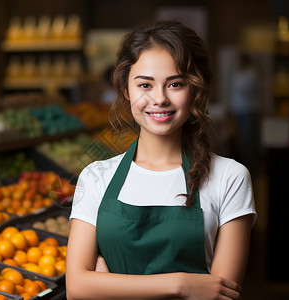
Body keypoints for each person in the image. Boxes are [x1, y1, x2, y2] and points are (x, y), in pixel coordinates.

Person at [66, 20, 256, 300]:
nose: (159, 98)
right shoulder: (96, 177)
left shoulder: (230, 177)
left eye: (175, 84)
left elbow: (220, 295)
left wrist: (107, 286)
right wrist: (181, 284)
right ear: (126, 89)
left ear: (195, 90)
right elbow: (77, 288)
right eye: (145, 84)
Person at [230, 52, 260, 174]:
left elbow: (247, 91)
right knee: (240, 140)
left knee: (248, 141)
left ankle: (250, 168)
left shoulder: (251, 74)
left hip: (248, 110)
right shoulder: (237, 74)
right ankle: (243, 166)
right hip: (238, 111)